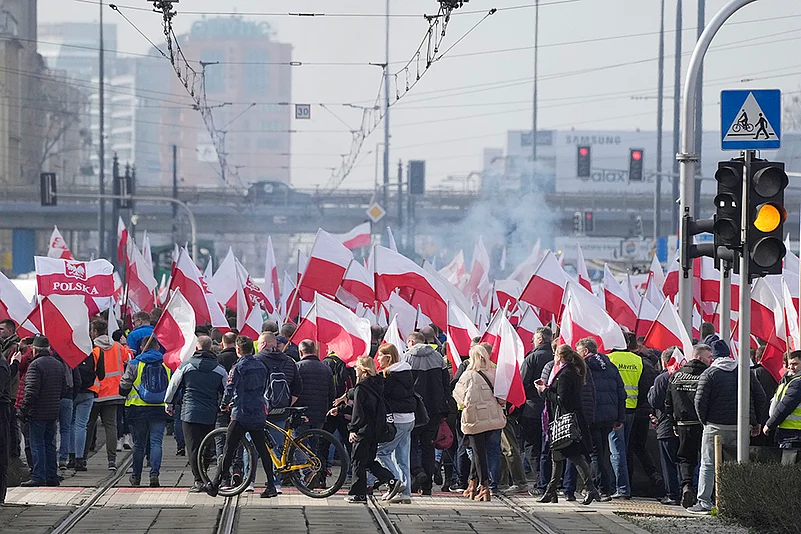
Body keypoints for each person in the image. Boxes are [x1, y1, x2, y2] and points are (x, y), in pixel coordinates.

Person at [689, 339, 764, 514]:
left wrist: (705, 421)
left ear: (713, 357)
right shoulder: (744, 372)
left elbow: (699, 401)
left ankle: (704, 502)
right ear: (729, 353)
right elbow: (760, 396)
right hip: (741, 425)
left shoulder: (709, 374)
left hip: (714, 426)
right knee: (737, 463)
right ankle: (736, 503)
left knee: (708, 464)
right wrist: (755, 421)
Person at [208, 336, 278, 499]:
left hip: (241, 413)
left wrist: (224, 404)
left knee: (229, 449)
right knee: (262, 449)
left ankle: (216, 483)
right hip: (258, 412)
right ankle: (271, 485)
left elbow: (230, 388)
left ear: (238, 350)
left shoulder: (237, 367)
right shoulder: (261, 365)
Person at [535, 345, 601, 505]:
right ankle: (551, 491)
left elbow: (562, 399)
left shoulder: (565, 375)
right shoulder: (570, 372)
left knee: (573, 455)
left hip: (566, 422)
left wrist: (544, 390)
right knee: (556, 456)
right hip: (565, 421)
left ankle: (591, 488)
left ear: (559, 357)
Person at [165, 336, 227, 492]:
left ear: (197, 348)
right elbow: (227, 390)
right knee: (207, 446)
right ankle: (205, 475)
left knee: (193, 447)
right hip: (210, 412)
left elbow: (173, 386)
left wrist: (169, 403)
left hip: (189, 412)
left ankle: (198, 480)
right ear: (211, 348)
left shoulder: (185, 367)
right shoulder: (219, 369)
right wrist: (224, 406)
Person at [452, 344, 506, 502]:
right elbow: (502, 398)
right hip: (493, 418)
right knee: (483, 452)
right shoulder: (495, 372)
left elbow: (459, 396)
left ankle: (484, 486)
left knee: (478, 453)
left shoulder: (468, 375)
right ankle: (472, 483)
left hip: (474, 419)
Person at [345, 356, 402, 504]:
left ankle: (359, 494)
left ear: (363, 369)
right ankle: (390, 480)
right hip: (375, 428)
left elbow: (358, 410)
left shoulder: (361, 387)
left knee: (358, 461)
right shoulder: (377, 384)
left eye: (357, 366)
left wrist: (353, 429)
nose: (354, 369)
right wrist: (340, 408)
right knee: (369, 461)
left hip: (363, 429)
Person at [577, 337, 625, 502]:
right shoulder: (610, 366)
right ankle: (602, 487)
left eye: (578, 351)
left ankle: (601, 489)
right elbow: (621, 393)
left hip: (592, 417)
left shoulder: (584, 367)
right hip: (609, 416)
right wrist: (620, 417)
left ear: (585, 351)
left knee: (594, 453)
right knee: (602, 452)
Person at [119, 336, 171, 487]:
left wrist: (124, 392)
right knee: (156, 443)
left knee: (139, 444)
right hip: (160, 409)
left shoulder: (135, 363)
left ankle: (136, 477)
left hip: (137, 409)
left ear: (142, 347)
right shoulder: (166, 363)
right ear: (157, 347)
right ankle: (154, 474)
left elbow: (125, 384)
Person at [665, 343, 712, 509]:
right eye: (709, 357)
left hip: (683, 424)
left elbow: (668, 403)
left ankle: (686, 486)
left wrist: (673, 423)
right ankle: (703, 493)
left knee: (685, 458)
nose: (711, 360)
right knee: (705, 460)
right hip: (702, 424)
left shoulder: (676, 375)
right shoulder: (707, 375)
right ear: (699, 357)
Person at [607, 332, 653, 499]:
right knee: (623, 450)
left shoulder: (610, 359)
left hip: (614, 412)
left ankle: (621, 488)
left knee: (615, 451)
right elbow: (644, 389)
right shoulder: (638, 361)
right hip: (632, 410)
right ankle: (622, 487)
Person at [404, 331, 450, 495]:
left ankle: (417, 475)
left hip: (414, 408)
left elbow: (405, 385)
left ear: (411, 342)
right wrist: (445, 408)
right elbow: (446, 384)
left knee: (410, 443)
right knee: (428, 446)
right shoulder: (438, 358)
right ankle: (427, 485)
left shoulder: (407, 357)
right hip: (434, 409)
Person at [255, 332, 302, 491]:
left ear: (262, 344)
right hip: (281, 411)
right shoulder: (289, 362)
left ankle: (249, 481)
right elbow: (298, 387)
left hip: (259, 411)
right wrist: (287, 403)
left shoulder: (256, 360)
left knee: (252, 446)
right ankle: (276, 482)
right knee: (278, 447)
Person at [20, 335, 66, 487]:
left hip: (38, 411)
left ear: (35, 350)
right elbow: (64, 388)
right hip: (53, 410)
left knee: (37, 444)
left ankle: (39, 476)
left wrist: (25, 409)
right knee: (49, 444)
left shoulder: (35, 365)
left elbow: (31, 391)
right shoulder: (58, 364)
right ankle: (52, 476)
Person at [86, 319, 130, 471]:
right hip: (114, 393)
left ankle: (82, 458)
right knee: (111, 427)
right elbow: (129, 358)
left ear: (95, 332)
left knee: (88, 426)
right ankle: (112, 461)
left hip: (96, 392)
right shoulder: (117, 347)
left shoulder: (93, 348)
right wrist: (125, 345)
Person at [376, 343, 415, 504]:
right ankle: (405, 492)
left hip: (397, 418)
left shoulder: (389, 375)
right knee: (402, 457)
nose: (377, 358)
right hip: (409, 418)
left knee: (381, 452)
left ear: (388, 357)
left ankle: (396, 482)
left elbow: (382, 395)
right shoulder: (407, 372)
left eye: (380, 355)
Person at [520, 327, 555, 496]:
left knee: (531, 445)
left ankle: (541, 480)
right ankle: (553, 479)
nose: (532, 342)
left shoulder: (532, 357)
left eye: (533, 339)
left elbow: (522, 383)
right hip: (553, 408)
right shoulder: (556, 357)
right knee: (548, 446)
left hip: (533, 408)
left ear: (540, 339)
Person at [648, 347, 682, 506]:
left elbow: (654, 401)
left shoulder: (662, 378)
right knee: (685, 460)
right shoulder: (686, 376)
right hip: (685, 425)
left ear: (664, 361)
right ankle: (687, 490)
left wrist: (651, 391)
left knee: (668, 462)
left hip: (666, 425)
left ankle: (672, 494)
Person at [70, 328, 105, 472]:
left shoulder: (71, 349)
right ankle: (80, 458)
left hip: (71, 392)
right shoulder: (96, 351)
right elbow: (102, 375)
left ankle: (69, 457)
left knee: (69, 425)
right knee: (81, 426)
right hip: (89, 392)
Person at [764, 351, 801, 464]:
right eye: (789, 364)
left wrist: (769, 424)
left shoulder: (797, 383)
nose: (791, 367)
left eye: (795, 364)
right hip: (788, 433)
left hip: (794, 434)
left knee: (789, 473)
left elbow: (785, 406)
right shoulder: (788, 381)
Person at [295, 340, 334, 430]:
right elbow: (331, 392)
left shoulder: (297, 367)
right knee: (315, 441)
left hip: (301, 413)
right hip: (319, 414)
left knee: (298, 442)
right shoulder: (326, 368)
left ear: (300, 352)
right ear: (315, 351)